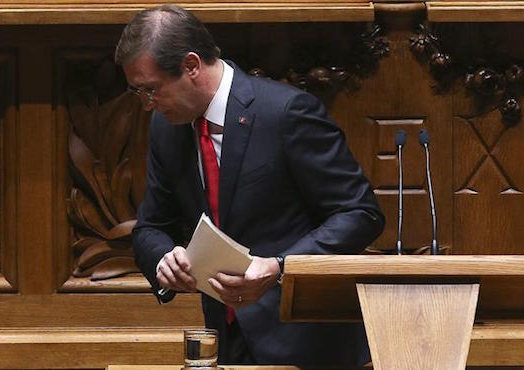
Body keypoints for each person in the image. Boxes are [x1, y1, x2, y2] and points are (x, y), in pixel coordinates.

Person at [115, 4, 385, 367]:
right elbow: (151, 226)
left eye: (151, 90)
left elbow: (361, 212)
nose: (147, 106)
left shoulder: (286, 113)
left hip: (306, 344)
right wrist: (163, 258)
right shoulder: (168, 129)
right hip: (225, 342)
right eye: (140, 94)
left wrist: (280, 265)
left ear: (191, 66)